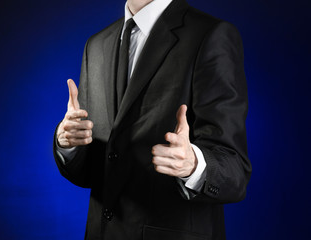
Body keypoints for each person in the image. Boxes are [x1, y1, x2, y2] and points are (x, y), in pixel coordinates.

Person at [53, 0, 252, 239]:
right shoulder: (96, 45)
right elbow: (96, 171)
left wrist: (194, 165)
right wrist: (69, 144)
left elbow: (235, 170)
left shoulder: (210, 35)